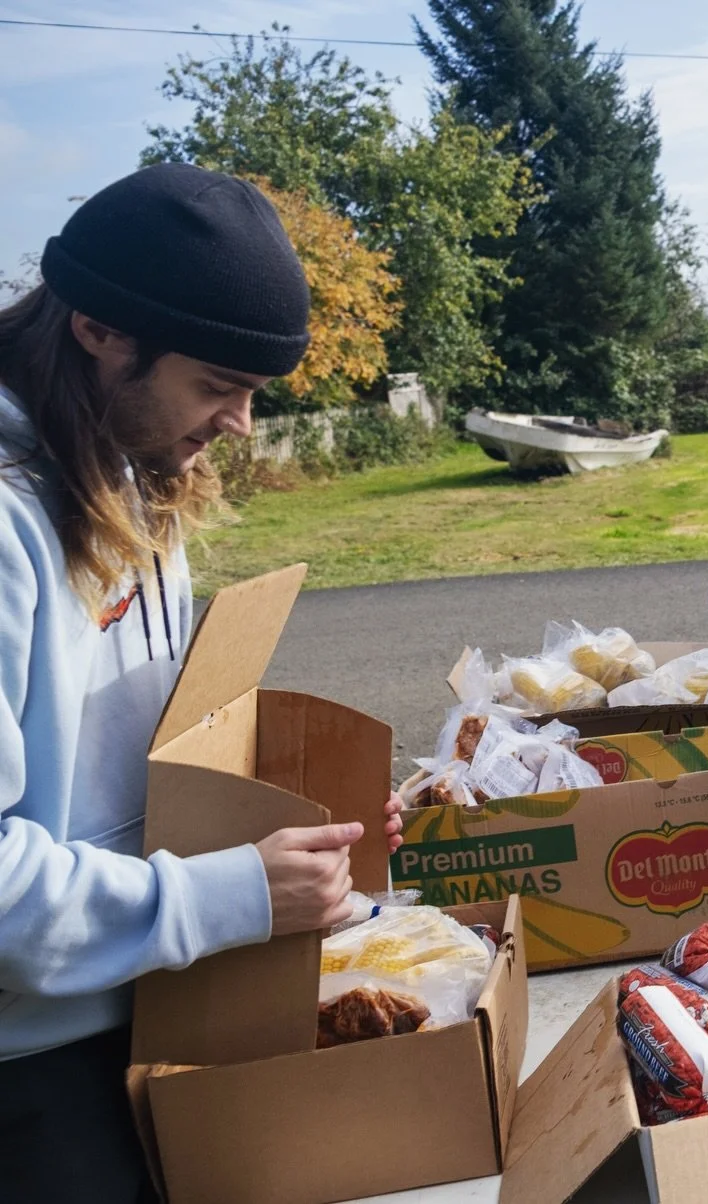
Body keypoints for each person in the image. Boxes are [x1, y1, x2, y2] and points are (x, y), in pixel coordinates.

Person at [0, 163, 405, 1201]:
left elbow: (155, 757)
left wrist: (303, 817)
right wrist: (234, 892)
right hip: (32, 1072)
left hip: (149, 1003)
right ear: (99, 329)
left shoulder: (125, 471)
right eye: (219, 385)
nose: (240, 425)